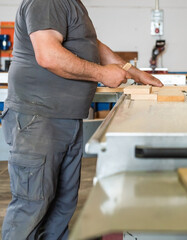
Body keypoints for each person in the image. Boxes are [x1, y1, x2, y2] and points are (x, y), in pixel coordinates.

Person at [0, 0, 163, 239]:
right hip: (40, 118)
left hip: (66, 117)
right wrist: (102, 73)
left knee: (62, 204)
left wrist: (131, 71)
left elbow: (91, 45)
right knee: (33, 204)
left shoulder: (71, 3)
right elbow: (48, 55)